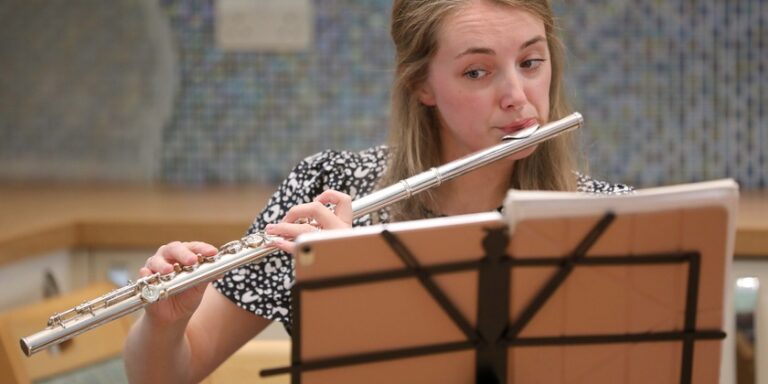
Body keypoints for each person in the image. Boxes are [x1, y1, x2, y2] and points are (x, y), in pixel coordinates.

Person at [124, 0, 632, 382]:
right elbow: (172, 372)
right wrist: (166, 324)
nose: (517, 97)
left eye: (531, 62)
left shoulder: (603, 219)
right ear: (422, 85)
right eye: (477, 71)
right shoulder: (325, 191)